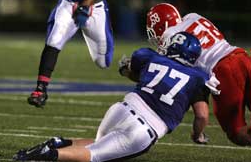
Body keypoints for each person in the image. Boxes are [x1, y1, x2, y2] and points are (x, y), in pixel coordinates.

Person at [14, 32, 212, 162]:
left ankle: (58, 142)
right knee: (94, 156)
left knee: (99, 144)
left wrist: (125, 70)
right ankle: (47, 155)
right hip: (145, 129)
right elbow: (202, 115)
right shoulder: (198, 78)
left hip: (121, 109)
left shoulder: (150, 56)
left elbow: (133, 73)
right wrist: (197, 135)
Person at [146, 3, 251, 146]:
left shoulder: (170, 37)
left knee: (238, 133)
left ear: (160, 25)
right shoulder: (193, 16)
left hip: (223, 70)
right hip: (241, 57)